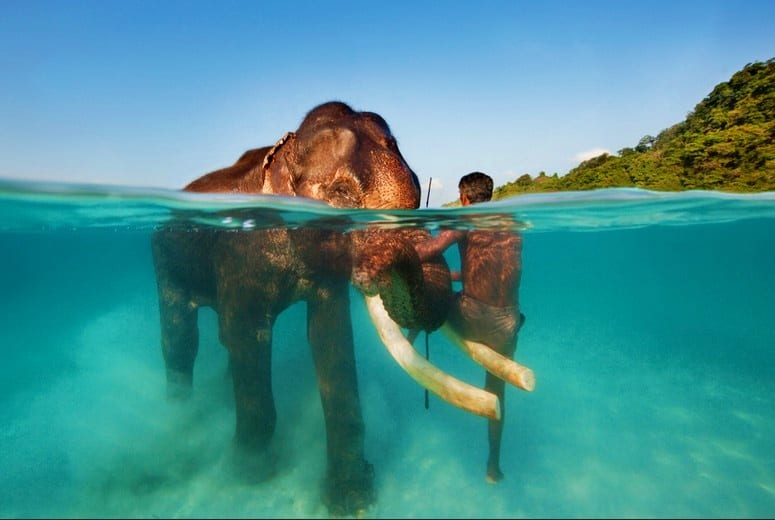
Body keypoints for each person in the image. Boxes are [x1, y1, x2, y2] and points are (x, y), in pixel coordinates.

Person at [414, 171, 524, 484]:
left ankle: (415, 325)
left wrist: (399, 253)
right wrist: (451, 276)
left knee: (434, 295)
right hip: (509, 323)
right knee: (497, 392)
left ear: (464, 196)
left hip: (475, 318)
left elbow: (429, 252)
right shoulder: (512, 224)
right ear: (490, 193)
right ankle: (493, 467)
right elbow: (485, 269)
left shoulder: (464, 219)